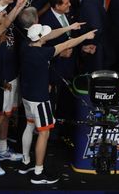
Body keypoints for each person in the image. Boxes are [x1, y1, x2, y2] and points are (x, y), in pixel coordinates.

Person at [18, 24, 96, 185]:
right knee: (44, 133)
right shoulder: (44, 52)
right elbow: (66, 45)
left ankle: (25, 163)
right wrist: (85, 36)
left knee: (29, 125)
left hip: (26, 97)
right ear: (39, 38)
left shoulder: (25, 47)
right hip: (40, 99)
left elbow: (50, 35)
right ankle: (38, 173)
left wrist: (69, 28)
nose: (47, 36)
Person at [0, 0, 26, 176]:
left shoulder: (8, 29)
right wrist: (17, 6)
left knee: (7, 116)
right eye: (2, 14)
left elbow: (10, 20)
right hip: (2, 83)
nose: (5, 15)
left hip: (12, 78)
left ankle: (2, 148)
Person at [71, 0, 107, 72]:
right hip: (98, 43)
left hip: (95, 47)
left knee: (96, 75)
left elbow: (96, 27)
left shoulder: (88, 3)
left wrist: (92, 44)